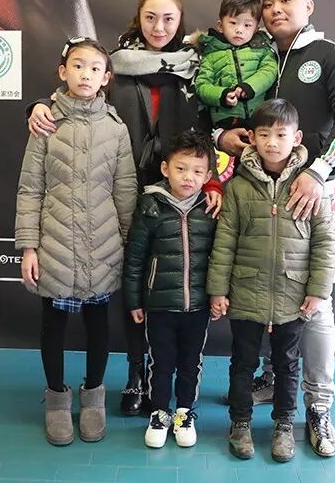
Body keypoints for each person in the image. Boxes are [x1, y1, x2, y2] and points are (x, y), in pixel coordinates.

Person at [27, 0, 222, 416]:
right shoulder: (116, 63)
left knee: (170, 287)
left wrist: (211, 180)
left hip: (180, 191)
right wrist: (37, 106)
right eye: (150, 17)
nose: (159, 27)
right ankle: (135, 374)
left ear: (180, 21)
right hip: (123, 189)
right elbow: (81, 100)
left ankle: (165, 381)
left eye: (168, 18)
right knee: (134, 284)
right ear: (139, 17)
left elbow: (217, 127)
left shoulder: (198, 67)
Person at [214, 0, 335, 457]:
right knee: (263, 288)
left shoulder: (330, 54)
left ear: (308, 6)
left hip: (309, 192)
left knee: (312, 305)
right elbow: (221, 113)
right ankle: (270, 379)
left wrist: (318, 172)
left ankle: (318, 409)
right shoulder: (255, 55)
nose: (276, 9)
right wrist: (222, 137)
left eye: (286, 0)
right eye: (268, 3)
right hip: (258, 190)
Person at [15, 38, 137, 446]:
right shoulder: (45, 123)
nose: (86, 74)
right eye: (78, 65)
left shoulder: (116, 129)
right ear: (62, 71)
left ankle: (94, 396)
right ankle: (55, 399)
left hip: (103, 246)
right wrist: (29, 246)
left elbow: (125, 190)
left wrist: (126, 245)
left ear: (106, 78)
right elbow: (30, 189)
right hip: (54, 244)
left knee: (99, 326)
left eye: (95, 68)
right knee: (53, 326)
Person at [208, 99, 335, 463]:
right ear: (252, 138)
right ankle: (240, 424)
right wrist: (218, 289)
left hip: (292, 295)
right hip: (246, 291)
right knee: (243, 363)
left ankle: (283, 426)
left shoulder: (310, 186)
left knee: (287, 365)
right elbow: (225, 241)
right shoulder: (238, 187)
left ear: (296, 138)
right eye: (264, 134)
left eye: (281, 135)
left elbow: (325, 242)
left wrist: (318, 290)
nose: (272, 142)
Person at [122, 131, 218, 449]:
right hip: (159, 305)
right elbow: (135, 257)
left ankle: (184, 412)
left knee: (191, 363)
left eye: (197, 171)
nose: (188, 177)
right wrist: (134, 300)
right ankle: (160, 412)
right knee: (160, 362)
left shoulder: (211, 208)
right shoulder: (150, 205)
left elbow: (221, 257)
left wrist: (219, 295)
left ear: (207, 175)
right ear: (165, 169)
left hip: (198, 306)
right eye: (181, 168)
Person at [194, 0, 278, 131]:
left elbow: (269, 71)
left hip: (259, 119)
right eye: (233, 23)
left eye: (247, 25)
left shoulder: (262, 49)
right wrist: (222, 95)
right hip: (225, 122)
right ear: (220, 26)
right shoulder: (211, 54)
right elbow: (201, 86)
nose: (239, 30)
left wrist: (250, 87)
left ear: (256, 29)